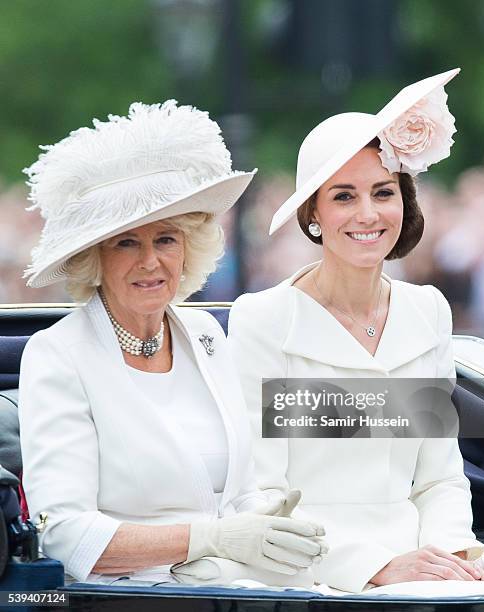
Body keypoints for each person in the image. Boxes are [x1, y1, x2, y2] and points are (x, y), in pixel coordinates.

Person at [18, 101, 326, 584]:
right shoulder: (58, 356)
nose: (149, 262)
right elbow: (64, 533)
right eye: (126, 243)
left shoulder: (204, 333)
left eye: (165, 239)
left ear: (188, 249)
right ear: (93, 258)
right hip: (134, 595)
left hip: (232, 586)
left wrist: (269, 521)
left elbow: (237, 493)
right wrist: (211, 538)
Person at [228, 69, 484, 593]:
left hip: (425, 578)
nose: (367, 214)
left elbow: (439, 475)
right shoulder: (263, 320)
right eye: (344, 196)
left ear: (404, 202)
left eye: (383, 192)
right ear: (314, 213)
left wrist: (452, 554)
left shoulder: (428, 311)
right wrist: (372, 569)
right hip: (311, 578)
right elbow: (258, 495)